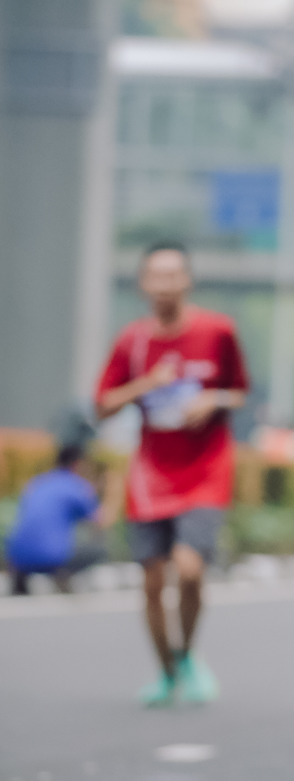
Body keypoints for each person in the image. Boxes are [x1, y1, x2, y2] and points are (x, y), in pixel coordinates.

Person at [95, 243, 249, 705]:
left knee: (189, 568)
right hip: (151, 474)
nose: (165, 285)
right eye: (156, 276)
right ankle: (166, 674)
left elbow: (240, 392)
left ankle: (186, 656)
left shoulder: (218, 331)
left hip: (205, 469)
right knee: (151, 582)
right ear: (143, 284)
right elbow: (102, 405)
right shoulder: (133, 342)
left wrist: (213, 399)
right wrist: (148, 384)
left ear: (188, 280)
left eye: (173, 275)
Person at [5, 441, 119, 594]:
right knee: (100, 549)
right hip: (51, 558)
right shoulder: (76, 485)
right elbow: (103, 522)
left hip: (17, 557)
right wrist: (114, 490)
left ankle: (21, 580)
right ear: (78, 464)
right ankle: (63, 575)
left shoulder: (37, 482)